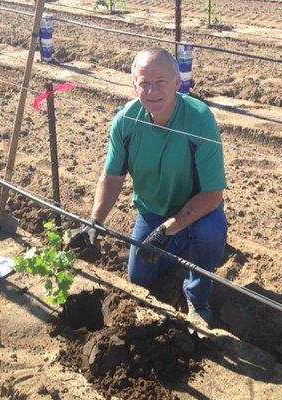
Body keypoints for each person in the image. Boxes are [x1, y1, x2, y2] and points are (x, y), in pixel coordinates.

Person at [69, 48, 227, 328]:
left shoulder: (199, 120)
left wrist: (168, 230)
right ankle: (182, 249)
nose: (152, 90)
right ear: (134, 85)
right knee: (139, 278)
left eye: (161, 81)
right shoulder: (125, 122)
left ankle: (198, 294)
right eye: (144, 82)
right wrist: (94, 223)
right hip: (153, 209)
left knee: (210, 234)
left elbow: (213, 194)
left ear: (177, 83)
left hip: (198, 208)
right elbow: (112, 176)